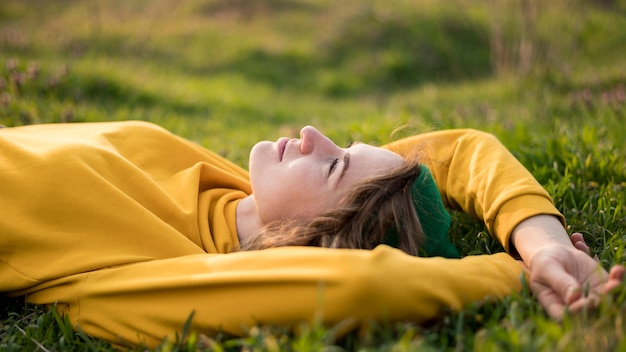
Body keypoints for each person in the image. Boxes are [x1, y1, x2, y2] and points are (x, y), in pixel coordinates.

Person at [0, 120, 622, 347]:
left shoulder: (156, 272)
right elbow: (459, 149)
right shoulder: (227, 190)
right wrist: (542, 241)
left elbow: (356, 285)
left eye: (332, 164)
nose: (311, 135)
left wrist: (509, 272)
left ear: (315, 235)